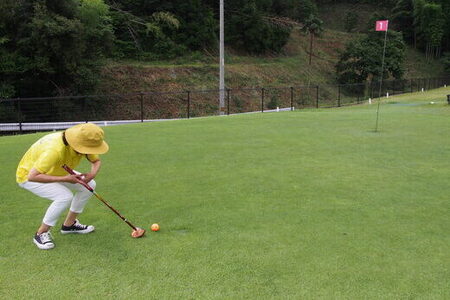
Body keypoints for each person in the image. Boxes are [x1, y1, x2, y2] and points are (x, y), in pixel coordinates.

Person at [16, 123, 109, 250]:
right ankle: (40, 233)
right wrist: (65, 179)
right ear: (79, 144)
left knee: (90, 184)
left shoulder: (82, 144)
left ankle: (69, 225)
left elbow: (96, 161)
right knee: (64, 197)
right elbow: (32, 176)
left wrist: (91, 175)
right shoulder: (54, 151)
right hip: (28, 176)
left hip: (56, 169)